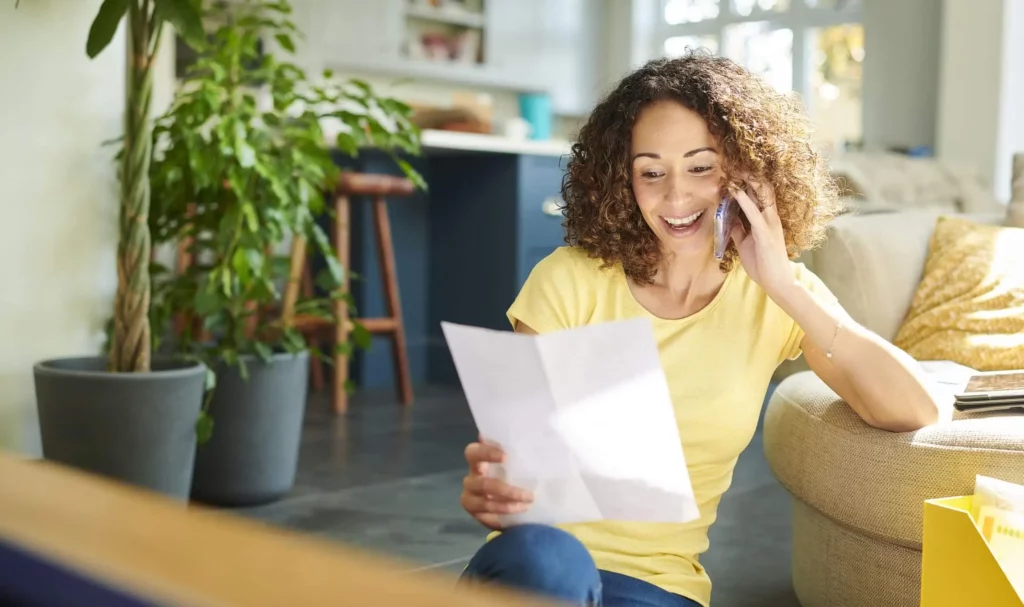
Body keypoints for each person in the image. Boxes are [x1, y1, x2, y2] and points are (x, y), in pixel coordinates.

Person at [456, 51, 942, 607]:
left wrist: (781, 283)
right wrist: (493, 488)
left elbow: (914, 409)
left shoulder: (775, 295)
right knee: (551, 563)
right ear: (623, 180)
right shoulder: (569, 280)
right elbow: (515, 462)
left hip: (656, 585)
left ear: (746, 174)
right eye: (651, 172)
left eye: (701, 166)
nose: (676, 196)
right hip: (538, 568)